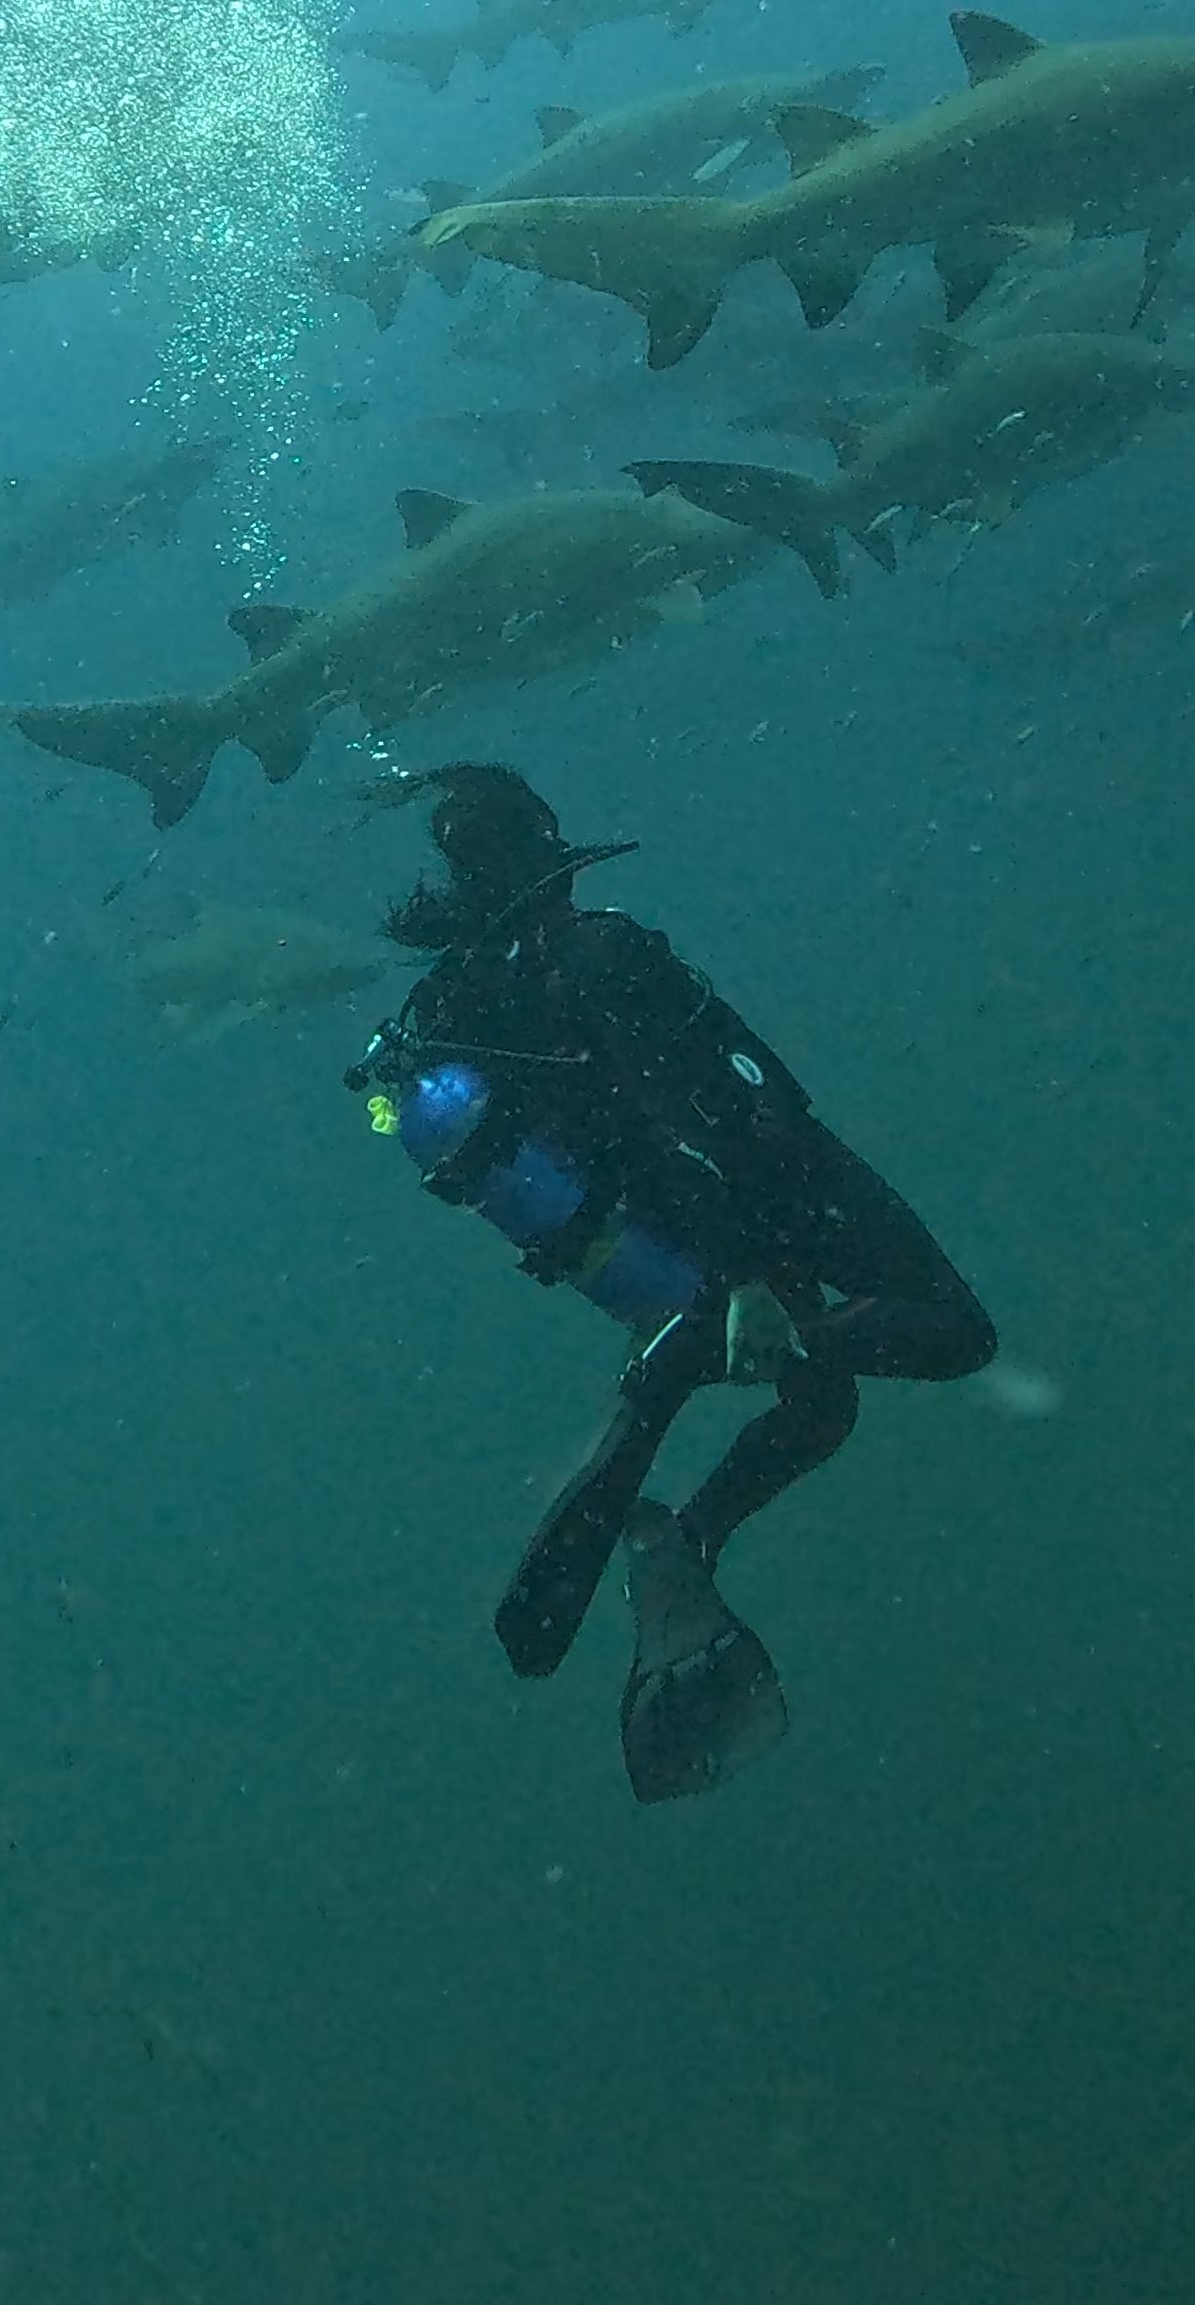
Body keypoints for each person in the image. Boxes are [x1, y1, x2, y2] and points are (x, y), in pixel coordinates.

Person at [345, 761, 996, 1801]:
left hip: (670, 1234)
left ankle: (686, 1524)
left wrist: (711, 1267)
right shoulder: (603, 949)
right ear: (544, 844)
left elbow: (425, 1133)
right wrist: (745, 1280)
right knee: (954, 1332)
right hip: (772, 1192)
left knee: (820, 1406)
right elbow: (696, 1105)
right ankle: (685, 1368)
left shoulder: (458, 1003)